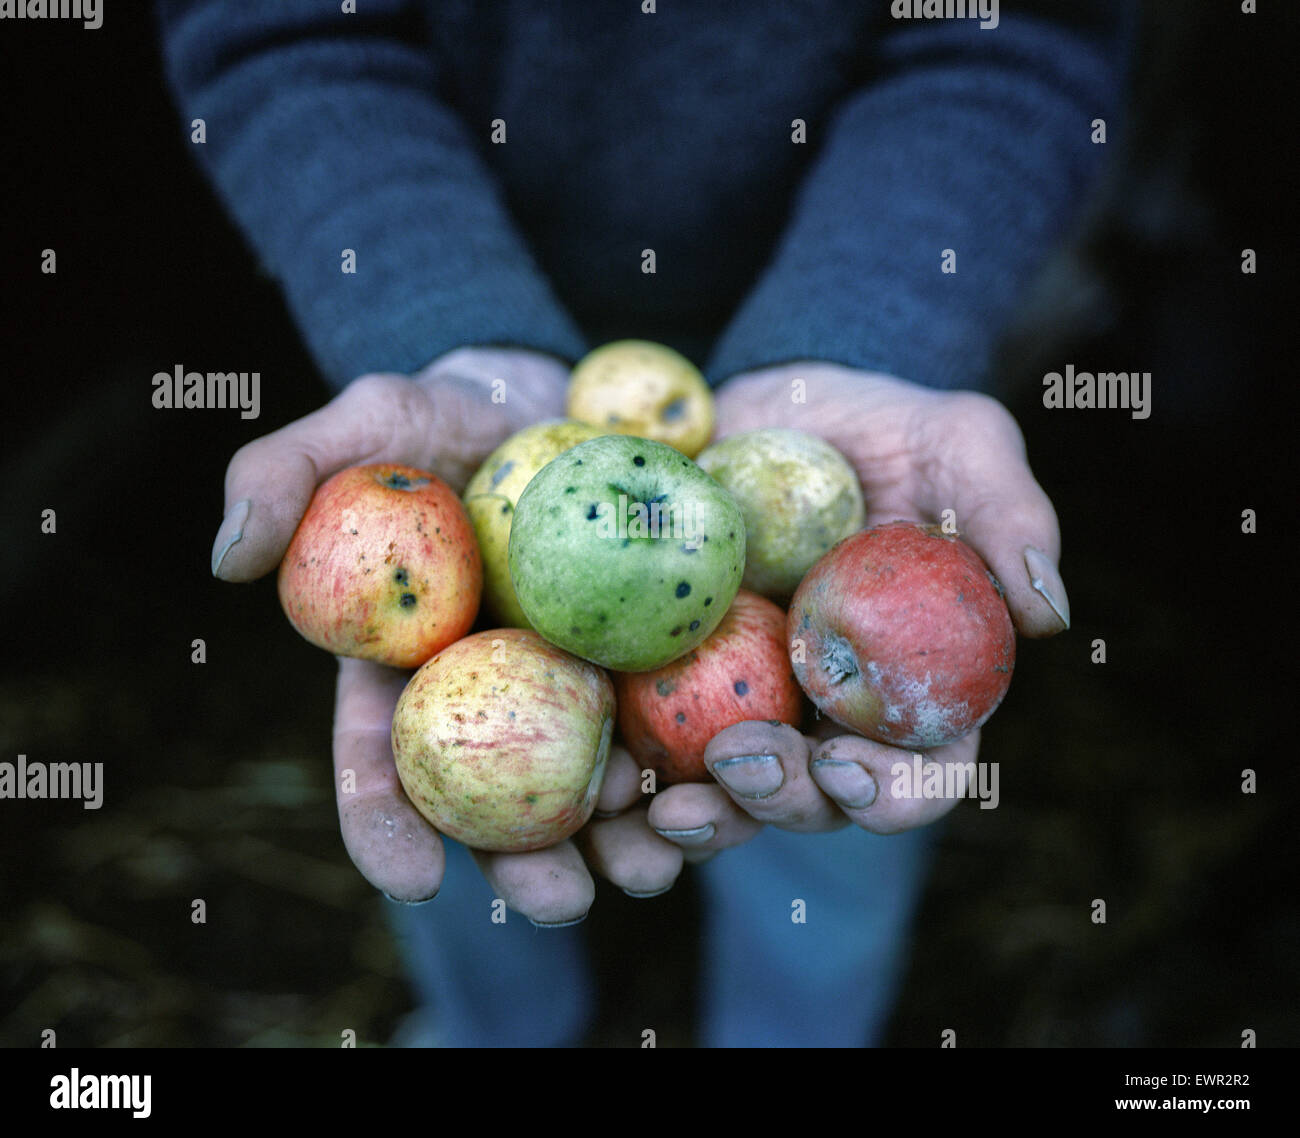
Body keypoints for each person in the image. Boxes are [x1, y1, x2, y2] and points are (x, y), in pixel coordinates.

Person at [158, 0, 1130, 1046]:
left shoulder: (803, 565)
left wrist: (870, 326)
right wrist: (435, 318)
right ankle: (498, 1029)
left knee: (836, 799)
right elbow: (286, 30)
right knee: (444, 824)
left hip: (819, 351)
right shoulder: (434, 551)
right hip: (479, 361)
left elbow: (1005, 38)